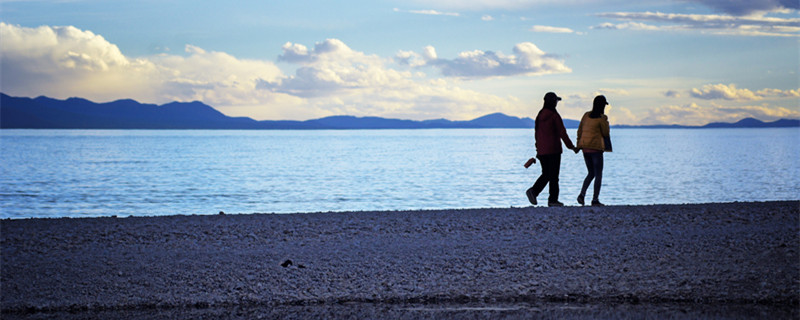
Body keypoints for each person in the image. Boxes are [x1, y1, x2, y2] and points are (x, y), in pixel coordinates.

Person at [526, 92, 576, 207]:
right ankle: (549, 198)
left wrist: (537, 147)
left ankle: (536, 193)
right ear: (553, 102)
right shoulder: (554, 115)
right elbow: (562, 132)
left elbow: (537, 133)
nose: (557, 103)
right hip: (553, 150)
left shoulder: (539, 115)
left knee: (547, 173)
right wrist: (571, 146)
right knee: (553, 176)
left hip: (542, 150)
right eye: (556, 101)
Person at [575, 95, 611, 207]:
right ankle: (595, 199)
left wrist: (578, 145)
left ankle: (581, 195)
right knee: (598, 174)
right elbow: (605, 133)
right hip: (596, 149)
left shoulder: (586, 115)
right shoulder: (602, 118)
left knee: (591, 173)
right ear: (603, 106)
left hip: (585, 149)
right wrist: (606, 122)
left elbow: (579, 130)